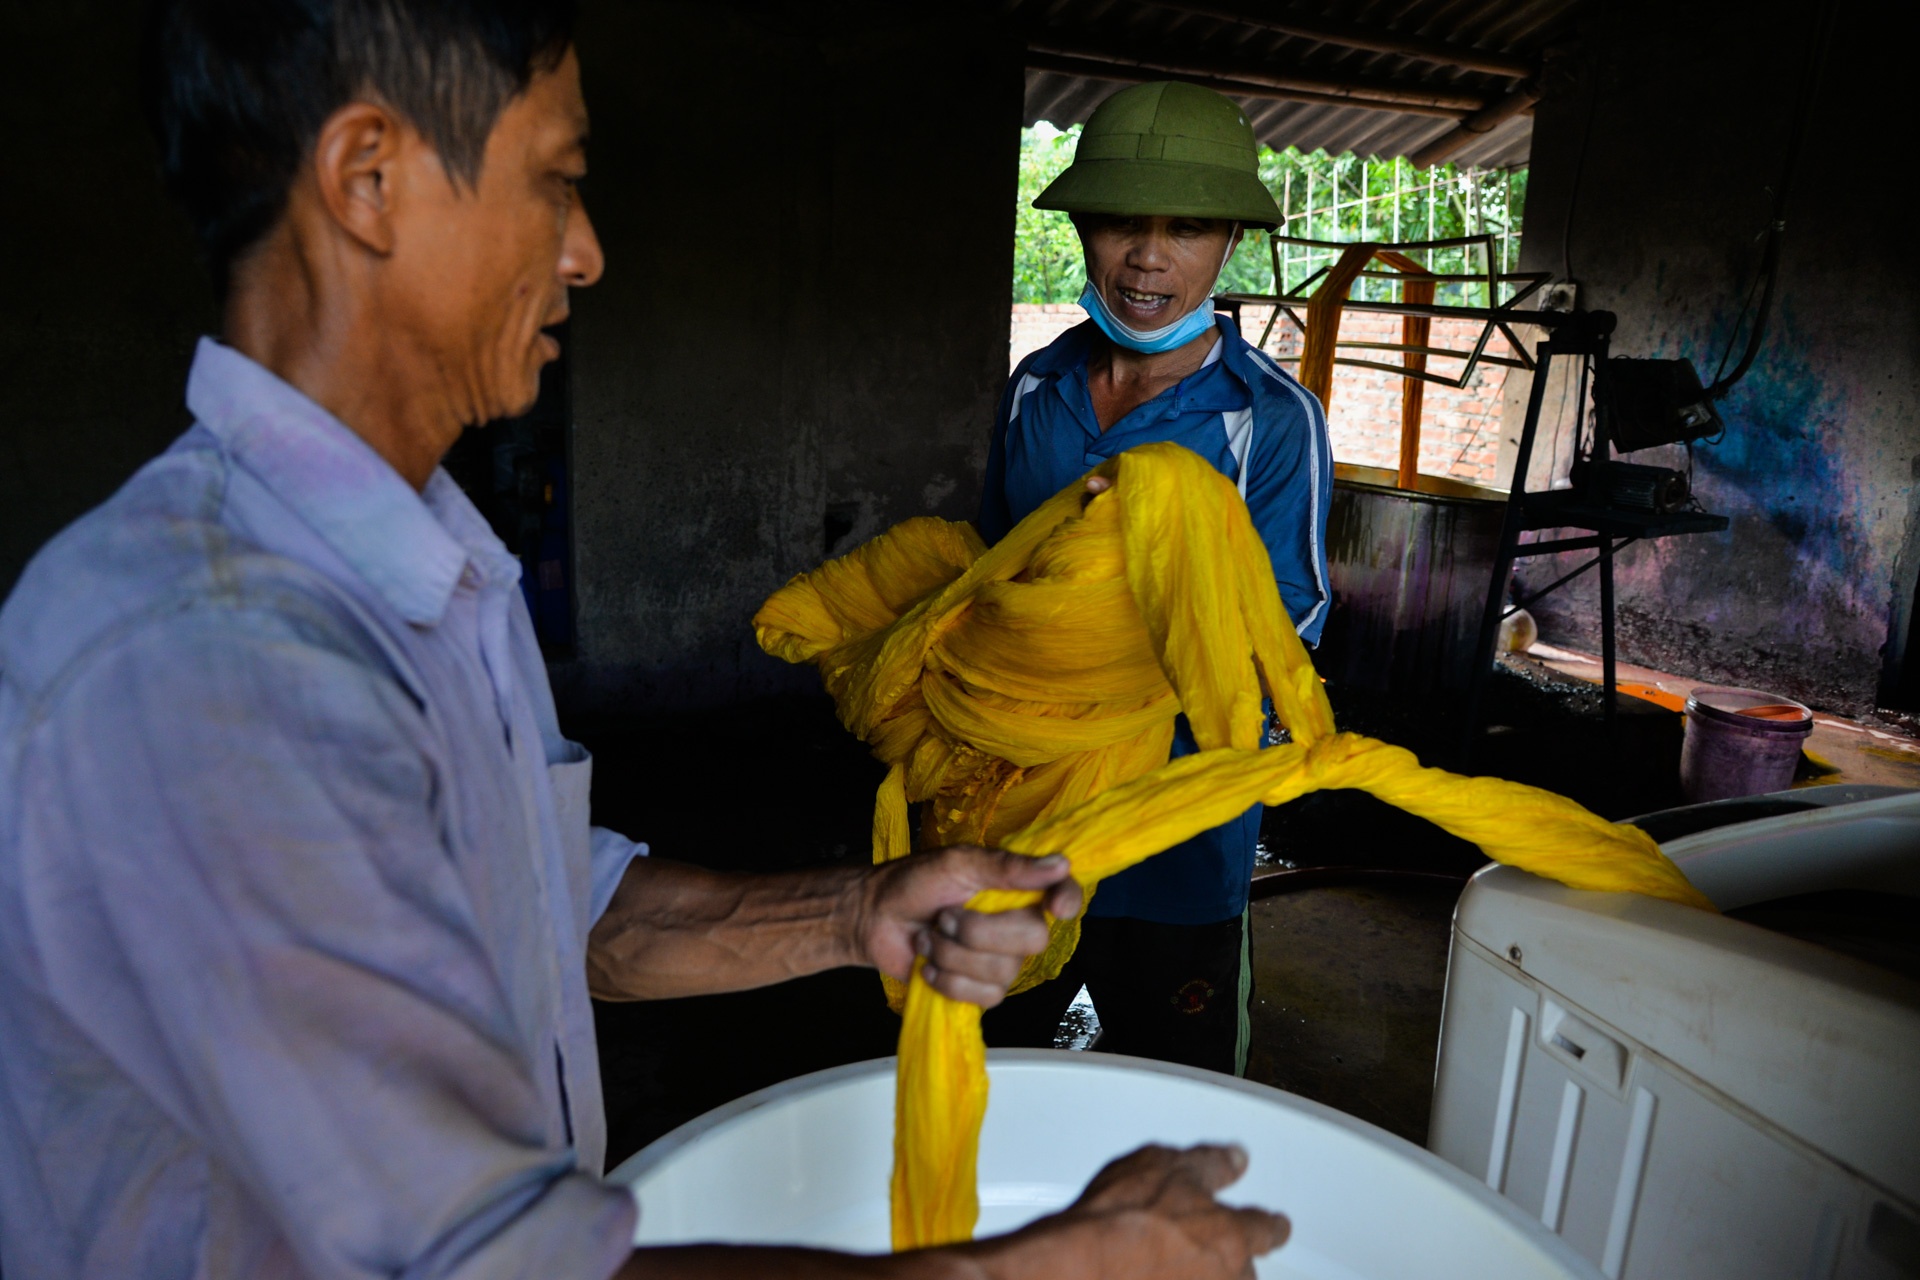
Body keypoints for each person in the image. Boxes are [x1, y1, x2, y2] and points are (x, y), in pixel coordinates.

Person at [0, 5, 1287, 1279]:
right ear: (367, 179)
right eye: (556, 183)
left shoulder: (434, 567)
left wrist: (858, 908)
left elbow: (557, 909)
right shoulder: (205, 657)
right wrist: (1034, 1266)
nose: (588, 252)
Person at [978, 82, 1333, 1077]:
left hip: (1180, 839)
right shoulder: (1037, 386)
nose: (1148, 256)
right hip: (1023, 818)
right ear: (1083, 229)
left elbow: (1286, 626)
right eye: (1122, 222)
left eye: (1187, 228)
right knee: (991, 1076)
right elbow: (991, 578)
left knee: (1177, 1092)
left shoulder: (1270, 418)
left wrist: (1104, 657)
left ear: (1229, 243)